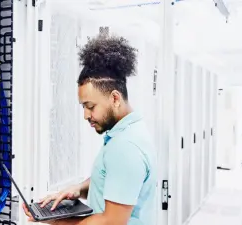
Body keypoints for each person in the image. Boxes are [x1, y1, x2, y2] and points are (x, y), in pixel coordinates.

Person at [23, 35, 157, 225]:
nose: (86, 115)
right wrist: (78, 189)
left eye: (91, 106)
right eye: (83, 107)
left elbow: (112, 222)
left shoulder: (126, 147)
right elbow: (111, 180)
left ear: (115, 99)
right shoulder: (129, 130)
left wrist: (56, 222)